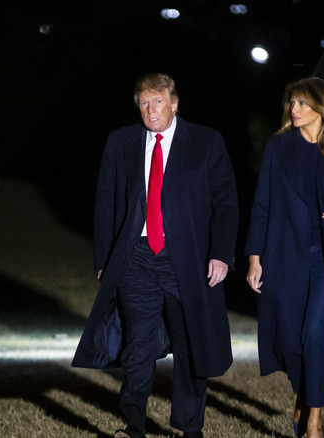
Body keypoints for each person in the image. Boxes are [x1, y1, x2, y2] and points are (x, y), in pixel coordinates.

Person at [72, 73, 239, 438]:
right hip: (137, 258)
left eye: (158, 101)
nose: (151, 110)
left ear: (174, 102)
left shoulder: (206, 142)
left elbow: (226, 204)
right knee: (138, 344)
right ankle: (134, 422)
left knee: (189, 344)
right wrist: (104, 259)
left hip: (189, 261)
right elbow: (106, 202)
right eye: (144, 103)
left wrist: (222, 254)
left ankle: (189, 425)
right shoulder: (122, 142)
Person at [245, 77, 324, 438]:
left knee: (314, 334)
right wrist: (255, 258)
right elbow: (262, 205)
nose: (294, 110)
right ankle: (305, 397)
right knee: (289, 340)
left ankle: (314, 421)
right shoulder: (278, 146)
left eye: (301, 103)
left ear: (321, 106)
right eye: (291, 103)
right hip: (285, 257)